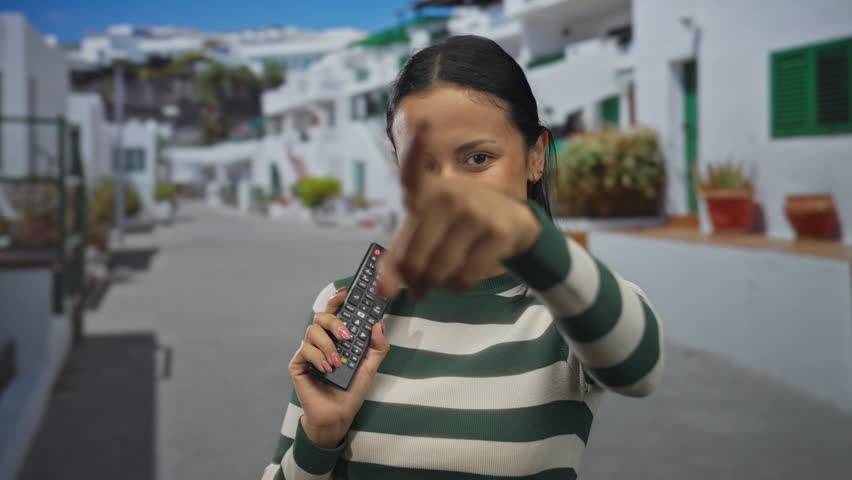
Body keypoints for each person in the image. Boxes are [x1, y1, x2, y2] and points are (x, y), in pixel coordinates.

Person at [260, 35, 664, 480]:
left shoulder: (570, 307)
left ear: (534, 157)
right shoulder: (341, 308)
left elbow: (640, 368)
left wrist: (529, 236)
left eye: (477, 158)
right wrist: (320, 434)